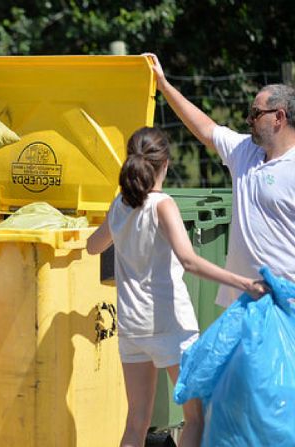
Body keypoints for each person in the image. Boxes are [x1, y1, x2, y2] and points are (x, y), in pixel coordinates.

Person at [86, 127, 266, 447]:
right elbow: (189, 261)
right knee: (194, 416)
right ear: (165, 164)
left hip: (132, 326)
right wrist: (244, 282)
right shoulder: (163, 204)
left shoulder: (120, 205)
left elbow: (92, 247)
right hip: (171, 323)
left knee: (136, 421)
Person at [145, 53, 295, 308]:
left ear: (278, 117)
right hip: (242, 300)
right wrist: (164, 85)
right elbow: (205, 129)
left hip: (285, 304)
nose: (249, 119)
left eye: (256, 113)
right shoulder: (245, 151)